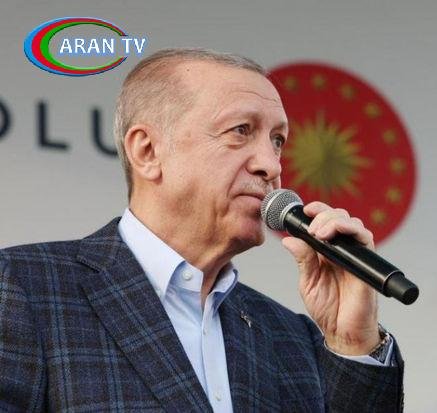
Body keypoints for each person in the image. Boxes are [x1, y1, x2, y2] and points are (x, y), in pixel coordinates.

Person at [0, 48, 404, 412]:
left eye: (277, 140)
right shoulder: (22, 288)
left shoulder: (294, 337)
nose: (271, 165)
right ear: (147, 151)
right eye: (240, 131)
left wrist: (352, 344)